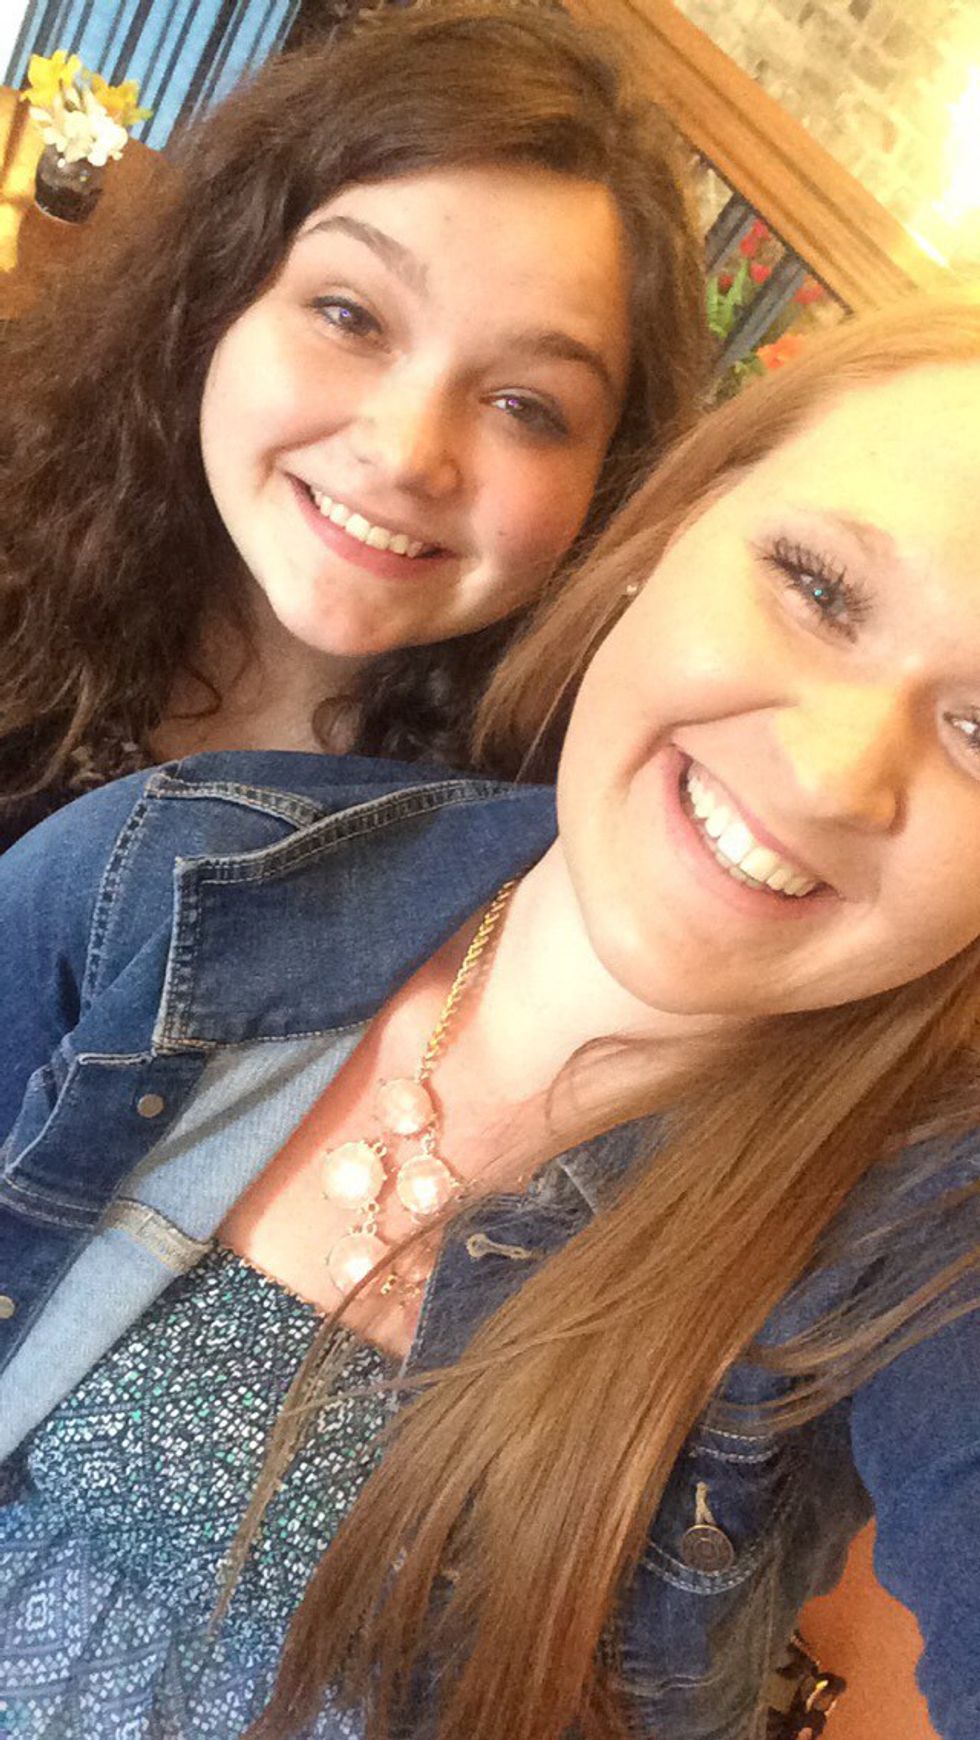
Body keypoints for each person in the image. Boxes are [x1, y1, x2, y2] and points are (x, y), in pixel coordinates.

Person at [3, 291, 980, 1740]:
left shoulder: (926, 1238)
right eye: (817, 588)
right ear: (662, 535)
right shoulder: (160, 872)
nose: (836, 772)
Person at [0, 0, 706, 850]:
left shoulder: (546, 863)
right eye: (350, 317)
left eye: (525, 406)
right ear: (220, 291)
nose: (407, 452)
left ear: (613, 478)